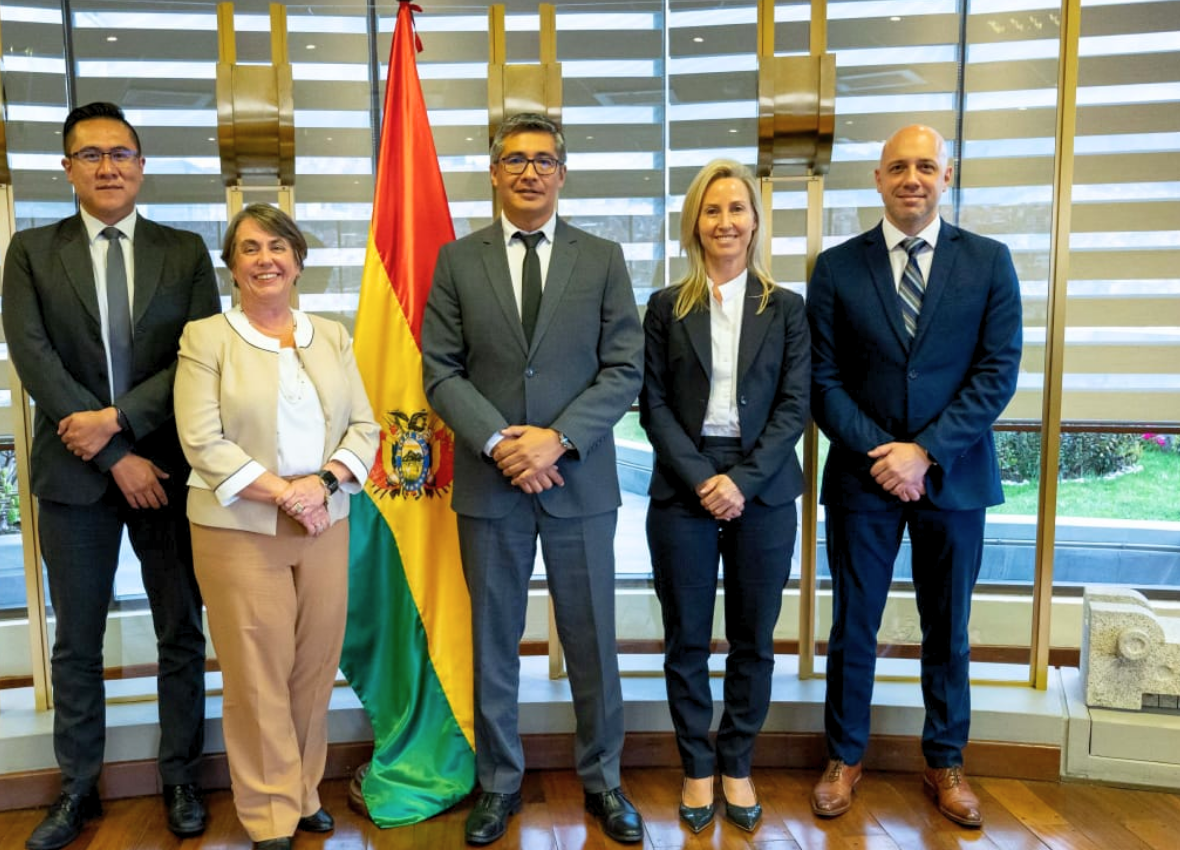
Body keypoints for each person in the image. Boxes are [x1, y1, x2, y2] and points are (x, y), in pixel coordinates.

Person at [421, 112, 645, 846]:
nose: (529, 172)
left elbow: (625, 369)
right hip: (492, 486)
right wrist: (499, 443)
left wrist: (558, 440)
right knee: (493, 642)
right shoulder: (458, 261)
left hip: (579, 481)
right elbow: (440, 371)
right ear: (493, 173)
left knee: (593, 639)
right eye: (515, 160)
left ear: (562, 173)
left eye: (544, 160)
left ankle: (604, 781)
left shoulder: (603, 258)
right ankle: (497, 784)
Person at [1, 102, 219, 850]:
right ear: (67, 169)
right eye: (90, 155)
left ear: (142, 165)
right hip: (75, 477)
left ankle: (182, 777)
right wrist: (111, 453)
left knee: (180, 630)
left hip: (167, 471)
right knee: (77, 641)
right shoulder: (32, 251)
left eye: (120, 153)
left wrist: (121, 421)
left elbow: (197, 359)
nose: (107, 167)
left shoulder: (184, 252)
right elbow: (34, 358)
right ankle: (76, 788)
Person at [806, 124, 1023, 827]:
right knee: (853, 624)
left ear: (946, 176)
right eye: (898, 167)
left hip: (954, 477)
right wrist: (887, 454)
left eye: (925, 166)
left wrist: (925, 452)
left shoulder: (989, 262)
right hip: (862, 478)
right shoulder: (836, 268)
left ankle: (946, 760)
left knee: (948, 627)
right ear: (878, 178)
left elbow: (997, 373)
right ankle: (844, 757)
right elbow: (823, 380)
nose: (912, 179)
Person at [174, 204, 378, 850]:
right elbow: (201, 441)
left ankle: (303, 791)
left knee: (314, 666)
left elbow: (364, 428)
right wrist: (287, 493)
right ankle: (268, 814)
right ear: (232, 267)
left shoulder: (332, 335)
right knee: (258, 674)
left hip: (325, 520)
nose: (266, 259)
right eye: (250, 248)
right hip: (239, 527)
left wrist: (322, 486)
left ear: (297, 261)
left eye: (278, 246)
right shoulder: (206, 338)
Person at [639, 159, 809, 834]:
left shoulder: (786, 308)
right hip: (684, 483)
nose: (725, 221)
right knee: (686, 639)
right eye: (712, 210)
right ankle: (697, 766)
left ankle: (736, 762)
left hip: (761, 484)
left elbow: (795, 406)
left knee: (753, 639)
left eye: (737, 208)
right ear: (694, 223)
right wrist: (701, 477)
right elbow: (652, 404)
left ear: (755, 222)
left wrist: (743, 480)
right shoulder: (665, 307)